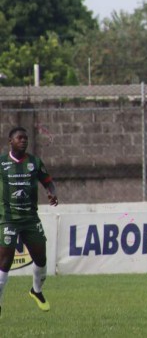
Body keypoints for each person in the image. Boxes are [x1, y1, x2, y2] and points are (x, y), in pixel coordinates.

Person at [0, 127, 58, 316]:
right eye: (19, 138)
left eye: (25, 138)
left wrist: (51, 192)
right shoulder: (2, 163)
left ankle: (36, 290)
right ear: (11, 141)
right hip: (8, 219)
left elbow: (48, 180)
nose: (24, 141)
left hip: (31, 219)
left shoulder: (34, 162)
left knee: (41, 259)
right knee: (4, 262)